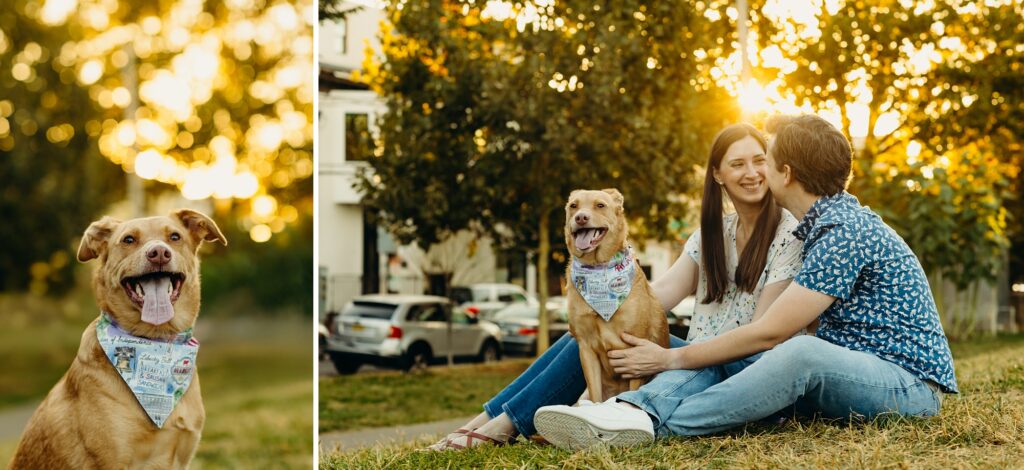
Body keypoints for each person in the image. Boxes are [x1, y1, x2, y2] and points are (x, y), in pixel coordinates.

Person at [533, 114, 958, 449]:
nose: (757, 169)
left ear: (786, 173)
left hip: (908, 386)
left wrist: (670, 360)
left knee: (800, 352)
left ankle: (650, 423)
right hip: (859, 374)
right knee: (719, 348)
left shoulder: (843, 231)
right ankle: (624, 411)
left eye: (765, 158)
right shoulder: (822, 223)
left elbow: (772, 331)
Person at [427, 123, 804, 450]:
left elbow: (760, 337)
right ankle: (486, 420)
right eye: (737, 164)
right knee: (586, 331)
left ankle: (500, 426)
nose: (751, 172)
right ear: (718, 174)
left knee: (599, 332)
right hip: (691, 356)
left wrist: (670, 358)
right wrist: (606, 282)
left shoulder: (789, 233)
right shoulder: (711, 235)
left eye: (758, 161)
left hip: (733, 370)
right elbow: (653, 300)